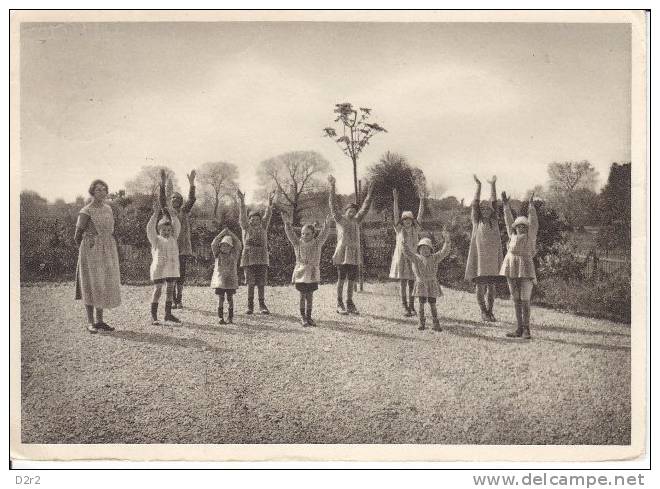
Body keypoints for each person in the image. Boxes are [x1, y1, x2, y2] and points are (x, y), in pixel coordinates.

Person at [74, 179, 122, 334]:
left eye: (104, 189)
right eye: (98, 190)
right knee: (91, 283)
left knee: (103, 282)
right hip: (91, 250)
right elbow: (77, 235)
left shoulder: (108, 208)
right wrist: (88, 248)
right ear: (92, 192)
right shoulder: (86, 211)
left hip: (107, 248)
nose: (101, 192)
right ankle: (90, 322)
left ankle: (100, 321)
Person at [328, 174, 374, 315]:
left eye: (354, 210)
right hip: (343, 254)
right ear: (345, 211)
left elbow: (365, 208)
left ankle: (350, 302)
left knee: (351, 280)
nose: (352, 212)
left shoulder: (357, 220)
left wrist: (369, 194)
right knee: (341, 279)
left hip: (354, 254)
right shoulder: (340, 219)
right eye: (350, 210)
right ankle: (339, 302)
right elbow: (333, 206)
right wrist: (332, 187)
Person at [464, 175, 504, 322]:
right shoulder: (476, 221)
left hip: (492, 260)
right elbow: (475, 203)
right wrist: (479, 186)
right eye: (483, 209)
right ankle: (483, 311)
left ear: (491, 211)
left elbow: (494, 201)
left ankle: (490, 311)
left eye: (488, 208)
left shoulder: (494, 221)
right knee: (480, 287)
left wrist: (493, 184)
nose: (485, 210)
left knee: (492, 288)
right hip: (480, 260)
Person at [500, 190, 538, 339]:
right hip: (511, 267)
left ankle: (527, 329)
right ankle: (519, 328)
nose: (521, 227)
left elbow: (533, 221)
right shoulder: (512, 235)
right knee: (516, 299)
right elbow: (508, 219)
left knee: (525, 299)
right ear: (515, 227)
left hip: (526, 268)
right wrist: (505, 205)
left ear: (527, 228)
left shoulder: (530, 236)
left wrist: (531, 206)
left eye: (524, 226)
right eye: (518, 226)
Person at [283, 212, 332, 326]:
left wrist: (327, 224)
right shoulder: (297, 243)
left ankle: (309, 317)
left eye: (308, 234)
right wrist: (287, 224)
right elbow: (290, 234)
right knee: (302, 295)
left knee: (310, 296)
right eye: (303, 233)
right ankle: (303, 316)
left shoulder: (317, 243)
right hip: (301, 273)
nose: (304, 236)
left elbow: (324, 234)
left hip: (312, 273)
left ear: (314, 234)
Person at [146, 170, 182, 325]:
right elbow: (149, 229)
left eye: (168, 229)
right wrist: (155, 216)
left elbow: (177, 225)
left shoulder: (174, 237)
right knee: (158, 290)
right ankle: (154, 316)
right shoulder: (156, 240)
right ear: (159, 230)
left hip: (172, 267)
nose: (166, 232)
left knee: (169, 291)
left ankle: (168, 314)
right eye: (163, 230)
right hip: (159, 268)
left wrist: (173, 215)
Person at [236, 188, 277, 314]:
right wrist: (242, 202)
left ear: (260, 221)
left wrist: (270, 204)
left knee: (261, 282)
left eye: (257, 219)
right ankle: (250, 305)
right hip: (248, 258)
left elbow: (268, 215)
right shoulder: (246, 227)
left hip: (262, 258)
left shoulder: (263, 227)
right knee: (250, 282)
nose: (255, 221)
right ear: (249, 220)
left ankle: (262, 304)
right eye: (252, 219)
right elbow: (242, 216)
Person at [402, 232, 451, 331]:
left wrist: (447, 241)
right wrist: (404, 244)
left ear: (431, 250)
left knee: (432, 303)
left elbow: (444, 252)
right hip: (421, 284)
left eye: (427, 248)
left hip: (432, 283)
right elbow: (407, 253)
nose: (424, 250)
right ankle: (421, 321)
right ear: (419, 250)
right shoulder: (416, 258)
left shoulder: (435, 258)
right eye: (422, 248)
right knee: (421, 303)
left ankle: (435, 322)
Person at [389, 187, 426, 316]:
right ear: (402, 221)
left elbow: (420, 215)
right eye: (405, 220)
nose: (407, 222)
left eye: (409, 219)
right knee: (403, 283)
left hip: (413, 259)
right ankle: (404, 305)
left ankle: (411, 306)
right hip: (401, 258)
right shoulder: (399, 230)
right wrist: (395, 200)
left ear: (412, 220)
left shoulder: (415, 230)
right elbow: (395, 215)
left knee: (412, 283)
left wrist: (422, 200)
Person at [169, 170, 196, 309]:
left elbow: (191, 200)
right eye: (173, 198)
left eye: (178, 198)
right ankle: (173, 300)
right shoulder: (167, 213)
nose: (175, 200)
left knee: (181, 274)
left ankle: (179, 300)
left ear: (181, 202)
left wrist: (191, 184)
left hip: (183, 247)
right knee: (171, 273)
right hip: (170, 247)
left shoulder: (184, 211)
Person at [210, 227, 242, 324]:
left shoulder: (234, 255)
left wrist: (231, 233)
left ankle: (230, 316)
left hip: (230, 280)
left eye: (227, 246)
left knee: (230, 298)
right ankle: (220, 317)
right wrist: (222, 233)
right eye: (223, 246)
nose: (225, 248)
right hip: (220, 281)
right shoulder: (217, 255)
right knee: (220, 298)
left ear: (231, 247)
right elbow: (213, 243)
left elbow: (239, 243)